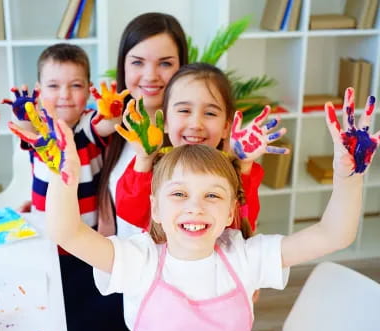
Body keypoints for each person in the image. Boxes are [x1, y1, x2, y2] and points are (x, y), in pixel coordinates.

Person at [45, 87, 379, 331]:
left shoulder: (246, 256)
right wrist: (65, 177)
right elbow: (67, 233)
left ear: (232, 208)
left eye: (212, 195)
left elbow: (335, 234)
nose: (195, 206)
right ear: (156, 208)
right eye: (179, 194)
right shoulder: (139, 260)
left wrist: (349, 177)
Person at [2, 43, 134, 331]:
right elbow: (25, 125)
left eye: (75, 85)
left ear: (88, 90)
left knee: (89, 308)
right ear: (38, 91)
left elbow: (107, 124)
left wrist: (112, 109)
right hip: (47, 239)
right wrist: (24, 109)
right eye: (53, 85)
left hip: (86, 239)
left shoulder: (86, 125)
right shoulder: (39, 130)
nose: (64, 94)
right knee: (54, 309)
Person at [115, 62, 286, 236]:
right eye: (184, 110)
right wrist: (144, 159)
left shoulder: (232, 169)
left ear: (226, 126)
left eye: (210, 113)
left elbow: (242, 224)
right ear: (165, 121)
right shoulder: (156, 164)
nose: (196, 124)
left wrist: (244, 164)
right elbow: (130, 213)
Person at [96, 12, 189, 238]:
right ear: (124, 66)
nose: (150, 76)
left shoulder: (191, 132)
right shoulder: (110, 126)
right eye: (138, 62)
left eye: (165, 63)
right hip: (121, 261)